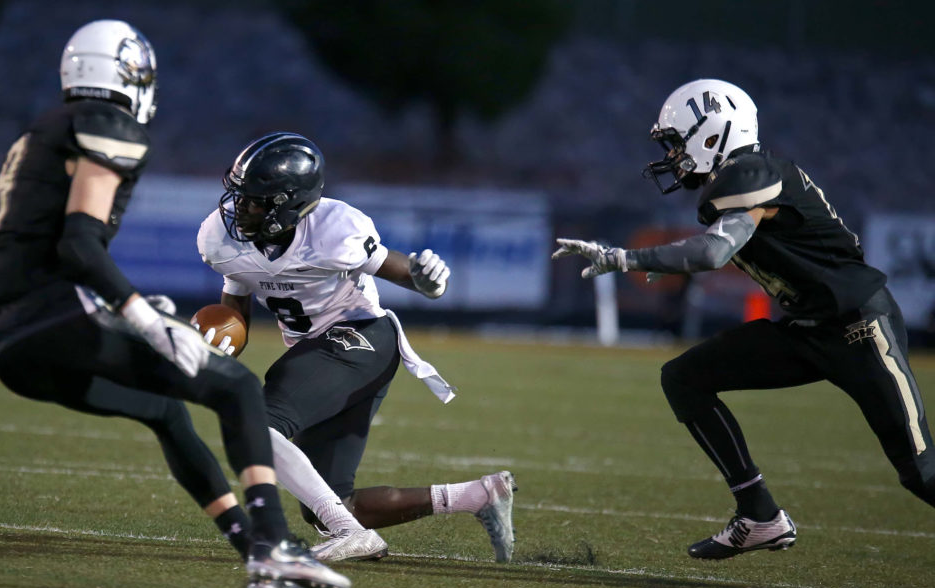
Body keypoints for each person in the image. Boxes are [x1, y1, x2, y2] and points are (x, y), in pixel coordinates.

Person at [0, 20, 349, 588]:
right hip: (52, 321)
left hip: (6, 341)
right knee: (238, 389)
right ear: (126, 73)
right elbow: (78, 243)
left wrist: (108, 305)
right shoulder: (107, 124)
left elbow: (38, 251)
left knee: (167, 412)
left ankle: (251, 547)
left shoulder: (42, 132)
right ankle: (274, 545)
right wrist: (139, 316)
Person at [553, 78, 933, 559]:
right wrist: (657, 260)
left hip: (858, 326)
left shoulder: (749, 172)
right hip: (808, 328)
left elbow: (714, 251)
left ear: (712, 134)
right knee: (684, 377)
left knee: (922, 473)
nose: (672, 157)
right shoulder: (740, 179)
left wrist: (625, 258)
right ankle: (759, 514)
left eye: (676, 144)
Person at [196, 132, 518, 563]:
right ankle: (478, 496)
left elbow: (401, 270)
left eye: (254, 200)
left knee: (256, 423)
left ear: (288, 205)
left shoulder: (333, 229)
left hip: (361, 337)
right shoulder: (219, 237)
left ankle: (351, 533)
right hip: (319, 354)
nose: (239, 208)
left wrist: (428, 282)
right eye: (239, 196)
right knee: (324, 505)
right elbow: (236, 302)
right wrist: (220, 338)